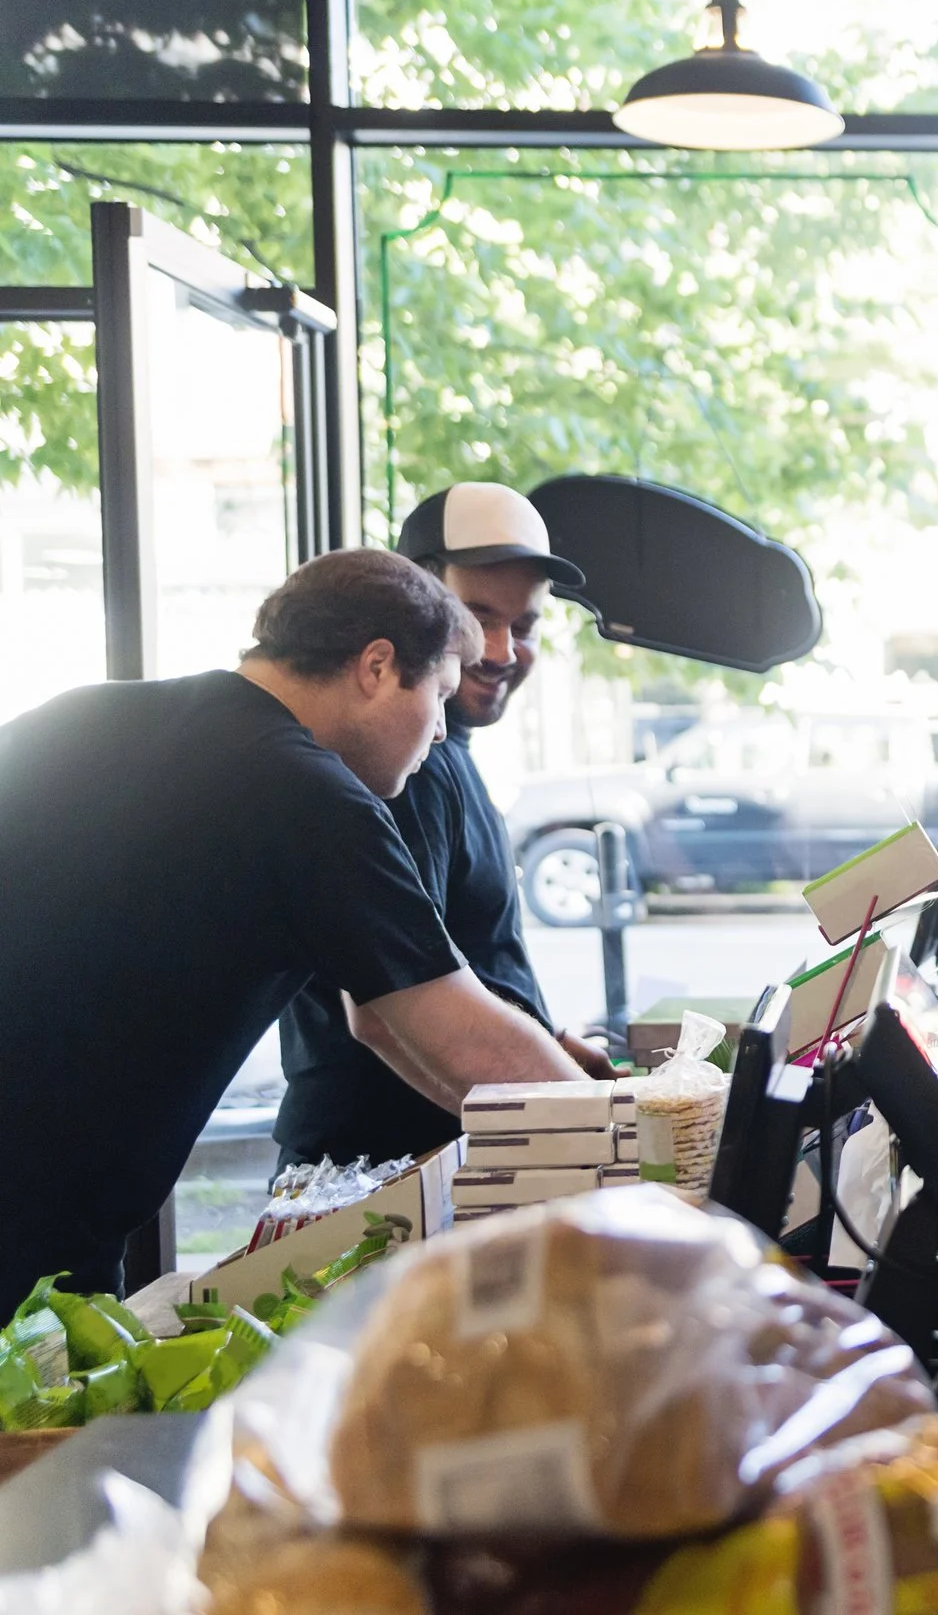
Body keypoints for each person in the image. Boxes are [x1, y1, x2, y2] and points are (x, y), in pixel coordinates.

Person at [0, 548, 591, 1307]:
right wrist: (632, 1156)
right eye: (438, 696)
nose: (441, 733)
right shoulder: (312, 797)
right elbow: (456, 1030)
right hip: (34, 1228)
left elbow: (392, 1021)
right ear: (376, 667)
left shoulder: (84, 713)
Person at [277, 482, 608, 1170]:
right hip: (382, 1174)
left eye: (525, 626)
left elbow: (459, 959)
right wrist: (597, 1144)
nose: (499, 648)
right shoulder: (404, 761)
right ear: (417, 601)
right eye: (476, 614)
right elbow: (382, 1009)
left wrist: (544, 1045)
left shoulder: (446, 753)